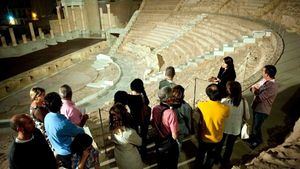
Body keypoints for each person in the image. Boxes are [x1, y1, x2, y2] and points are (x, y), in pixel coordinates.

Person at [44, 92, 84, 169]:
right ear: (60, 104)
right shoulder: (63, 124)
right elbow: (80, 132)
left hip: (58, 150)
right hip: (68, 152)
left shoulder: (47, 117)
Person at [194, 84, 229, 169]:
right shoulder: (225, 108)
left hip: (204, 136)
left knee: (200, 155)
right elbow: (226, 116)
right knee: (211, 156)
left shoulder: (201, 105)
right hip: (217, 138)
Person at [217, 81, 250, 168]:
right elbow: (247, 117)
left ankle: (216, 158)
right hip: (235, 128)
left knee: (220, 143)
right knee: (229, 146)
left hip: (224, 127)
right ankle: (225, 162)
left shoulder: (224, 101)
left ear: (229, 91)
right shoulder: (243, 102)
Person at [248, 65, 278, 149]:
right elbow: (252, 88)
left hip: (262, 110)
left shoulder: (272, 86)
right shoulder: (264, 80)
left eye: (263, 71)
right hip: (257, 108)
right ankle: (254, 139)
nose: (262, 72)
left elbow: (259, 98)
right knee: (254, 125)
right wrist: (255, 90)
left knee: (256, 127)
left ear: (267, 74)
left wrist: (255, 90)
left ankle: (257, 141)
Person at [151, 86, 179, 169]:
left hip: (158, 141)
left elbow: (153, 123)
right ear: (169, 98)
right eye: (172, 96)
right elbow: (174, 136)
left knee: (161, 164)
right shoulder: (171, 113)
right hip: (169, 144)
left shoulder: (155, 108)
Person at [109, 103, 144, 169]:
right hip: (131, 160)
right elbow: (140, 142)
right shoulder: (129, 133)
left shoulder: (112, 129)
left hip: (120, 158)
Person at [127, 78, 151, 160]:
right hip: (143, 120)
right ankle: (144, 154)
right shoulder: (142, 97)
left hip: (134, 120)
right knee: (143, 138)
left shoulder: (129, 97)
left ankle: (138, 154)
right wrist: (143, 91)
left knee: (136, 138)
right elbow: (148, 103)